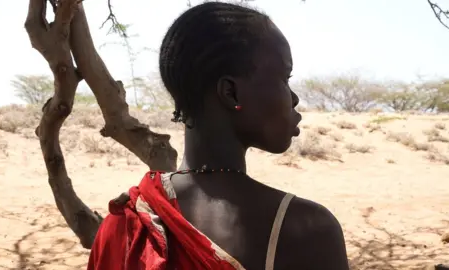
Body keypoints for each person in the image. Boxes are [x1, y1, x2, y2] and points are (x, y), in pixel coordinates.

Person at [87, 2, 349, 270]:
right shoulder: (307, 231)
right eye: (284, 77)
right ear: (231, 92)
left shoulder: (123, 224)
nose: (294, 98)